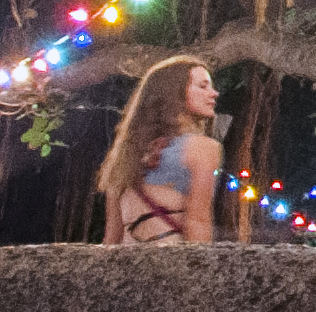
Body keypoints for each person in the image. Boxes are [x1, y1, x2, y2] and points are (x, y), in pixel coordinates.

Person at [96, 56, 225, 244]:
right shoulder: (203, 148)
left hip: (128, 265)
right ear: (176, 94)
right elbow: (198, 222)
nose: (214, 93)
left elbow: (112, 237)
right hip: (171, 262)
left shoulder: (124, 155)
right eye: (203, 86)